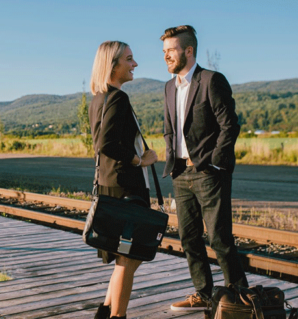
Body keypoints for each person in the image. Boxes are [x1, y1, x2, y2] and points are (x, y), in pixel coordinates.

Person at [160, 25, 248, 311]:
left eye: (171, 51)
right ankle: (204, 293)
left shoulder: (211, 80)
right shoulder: (168, 86)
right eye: (164, 52)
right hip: (181, 174)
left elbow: (229, 125)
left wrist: (214, 162)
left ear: (188, 51)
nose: (166, 56)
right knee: (189, 238)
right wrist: (172, 160)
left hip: (208, 173)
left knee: (219, 238)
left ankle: (239, 296)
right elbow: (169, 130)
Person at [89, 41, 158, 319]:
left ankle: (105, 311)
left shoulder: (98, 98)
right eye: (129, 59)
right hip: (126, 187)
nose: (135, 64)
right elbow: (105, 144)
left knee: (128, 256)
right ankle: (117, 316)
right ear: (113, 64)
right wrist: (140, 160)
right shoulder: (118, 98)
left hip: (111, 184)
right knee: (129, 257)